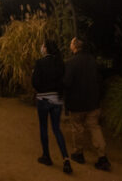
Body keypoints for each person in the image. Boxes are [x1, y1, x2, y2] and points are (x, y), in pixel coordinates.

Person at [64, 36, 111, 171]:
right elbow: (100, 80)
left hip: (76, 103)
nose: (69, 45)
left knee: (77, 128)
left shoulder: (71, 63)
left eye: (71, 43)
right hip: (93, 102)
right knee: (95, 128)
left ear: (75, 46)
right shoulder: (93, 61)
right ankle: (102, 157)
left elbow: (66, 82)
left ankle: (79, 153)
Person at [32, 39, 72, 174]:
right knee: (57, 129)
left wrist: (42, 90)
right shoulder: (60, 63)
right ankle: (66, 158)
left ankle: (46, 156)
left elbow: (35, 82)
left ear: (46, 49)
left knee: (44, 128)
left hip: (43, 100)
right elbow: (64, 82)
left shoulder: (40, 63)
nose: (41, 48)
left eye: (42, 46)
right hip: (57, 100)